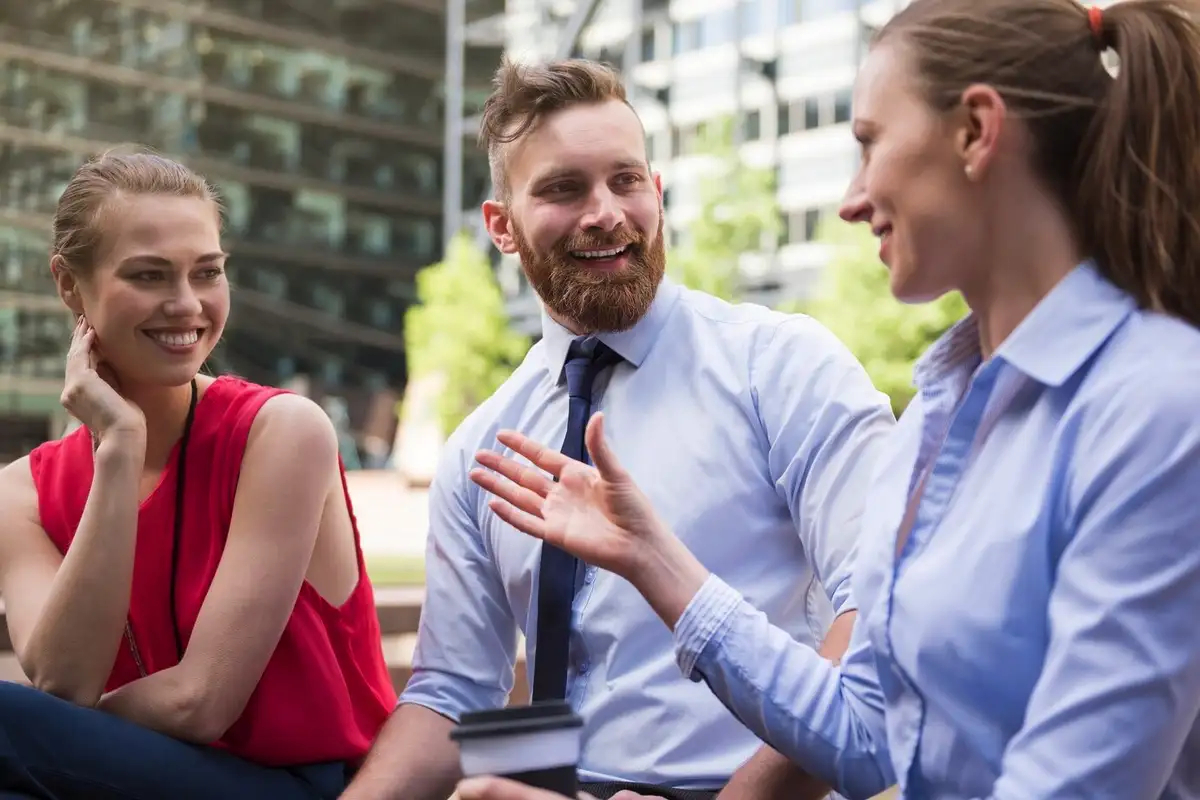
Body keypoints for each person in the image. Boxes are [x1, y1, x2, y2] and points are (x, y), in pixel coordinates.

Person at [466, 0, 1200, 797]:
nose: (850, 199)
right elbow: (866, 732)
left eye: (869, 143)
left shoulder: (1159, 410)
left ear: (975, 132)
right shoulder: (937, 417)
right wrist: (654, 559)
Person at [343, 58, 895, 800]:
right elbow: (452, 694)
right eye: (563, 189)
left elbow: (879, 621)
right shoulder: (481, 445)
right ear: (502, 227)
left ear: (656, 193)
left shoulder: (783, 368)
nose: (605, 212)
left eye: (625, 180)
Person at [0, 149, 397, 799]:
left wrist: (61, 730)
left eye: (207, 273)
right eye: (149, 275)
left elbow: (201, 702)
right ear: (69, 285)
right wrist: (120, 448)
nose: (187, 305)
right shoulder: (21, 494)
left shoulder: (282, 432)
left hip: (298, 786)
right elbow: (65, 682)